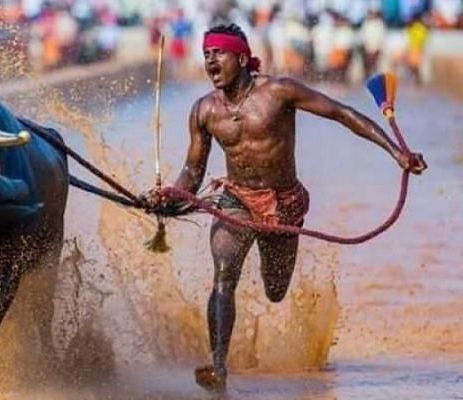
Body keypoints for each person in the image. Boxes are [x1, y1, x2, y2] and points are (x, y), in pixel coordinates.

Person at [147, 23, 426, 392]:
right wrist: (170, 195)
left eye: (219, 52)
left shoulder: (279, 91)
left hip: (283, 204)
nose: (210, 59)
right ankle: (218, 366)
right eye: (207, 54)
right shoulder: (204, 110)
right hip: (237, 201)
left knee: (276, 289)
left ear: (242, 58)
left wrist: (397, 153)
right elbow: (192, 173)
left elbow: (342, 113)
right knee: (224, 272)